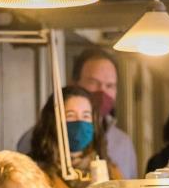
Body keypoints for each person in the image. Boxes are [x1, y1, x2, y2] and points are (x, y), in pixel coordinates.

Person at [18, 47, 138, 179]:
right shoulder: (35, 140)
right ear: (74, 83)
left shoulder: (124, 144)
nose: (102, 91)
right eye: (94, 82)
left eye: (109, 86)